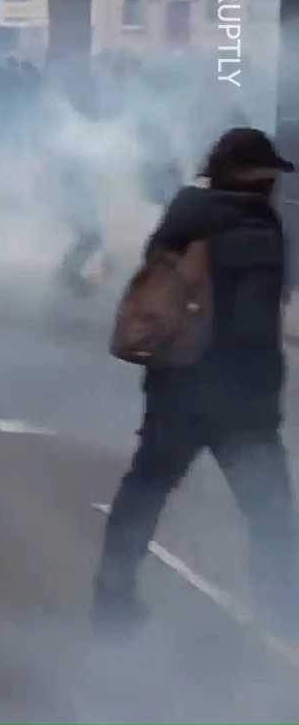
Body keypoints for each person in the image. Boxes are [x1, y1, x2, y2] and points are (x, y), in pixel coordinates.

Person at [93, 127, 295, 635]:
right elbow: (256, 321)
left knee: (145, 492)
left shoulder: (182, 218)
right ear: (255, 178)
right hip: (240, 400)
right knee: (268, 509)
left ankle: (112, 600)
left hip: (175, 387)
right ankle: (280, 607)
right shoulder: (260, 230)